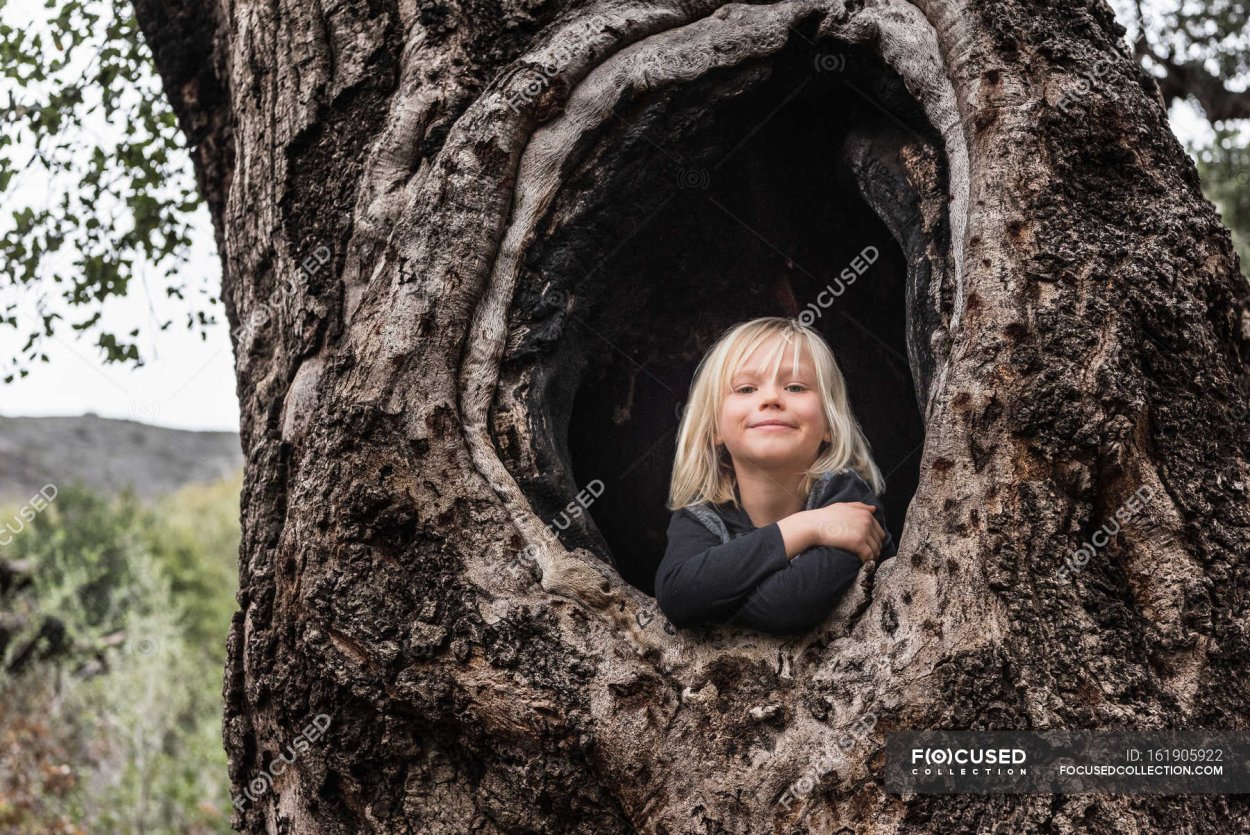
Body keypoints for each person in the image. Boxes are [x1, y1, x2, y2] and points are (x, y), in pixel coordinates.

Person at [655, 316, 898, 635]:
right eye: (746, 388)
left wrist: (714, 595)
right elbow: (678, 596)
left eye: (795, 386)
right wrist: (806, 527)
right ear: (715, 427)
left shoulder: (850, 505)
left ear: (828, 424)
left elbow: (787, 607)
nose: (770, 399)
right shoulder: (702, 515)